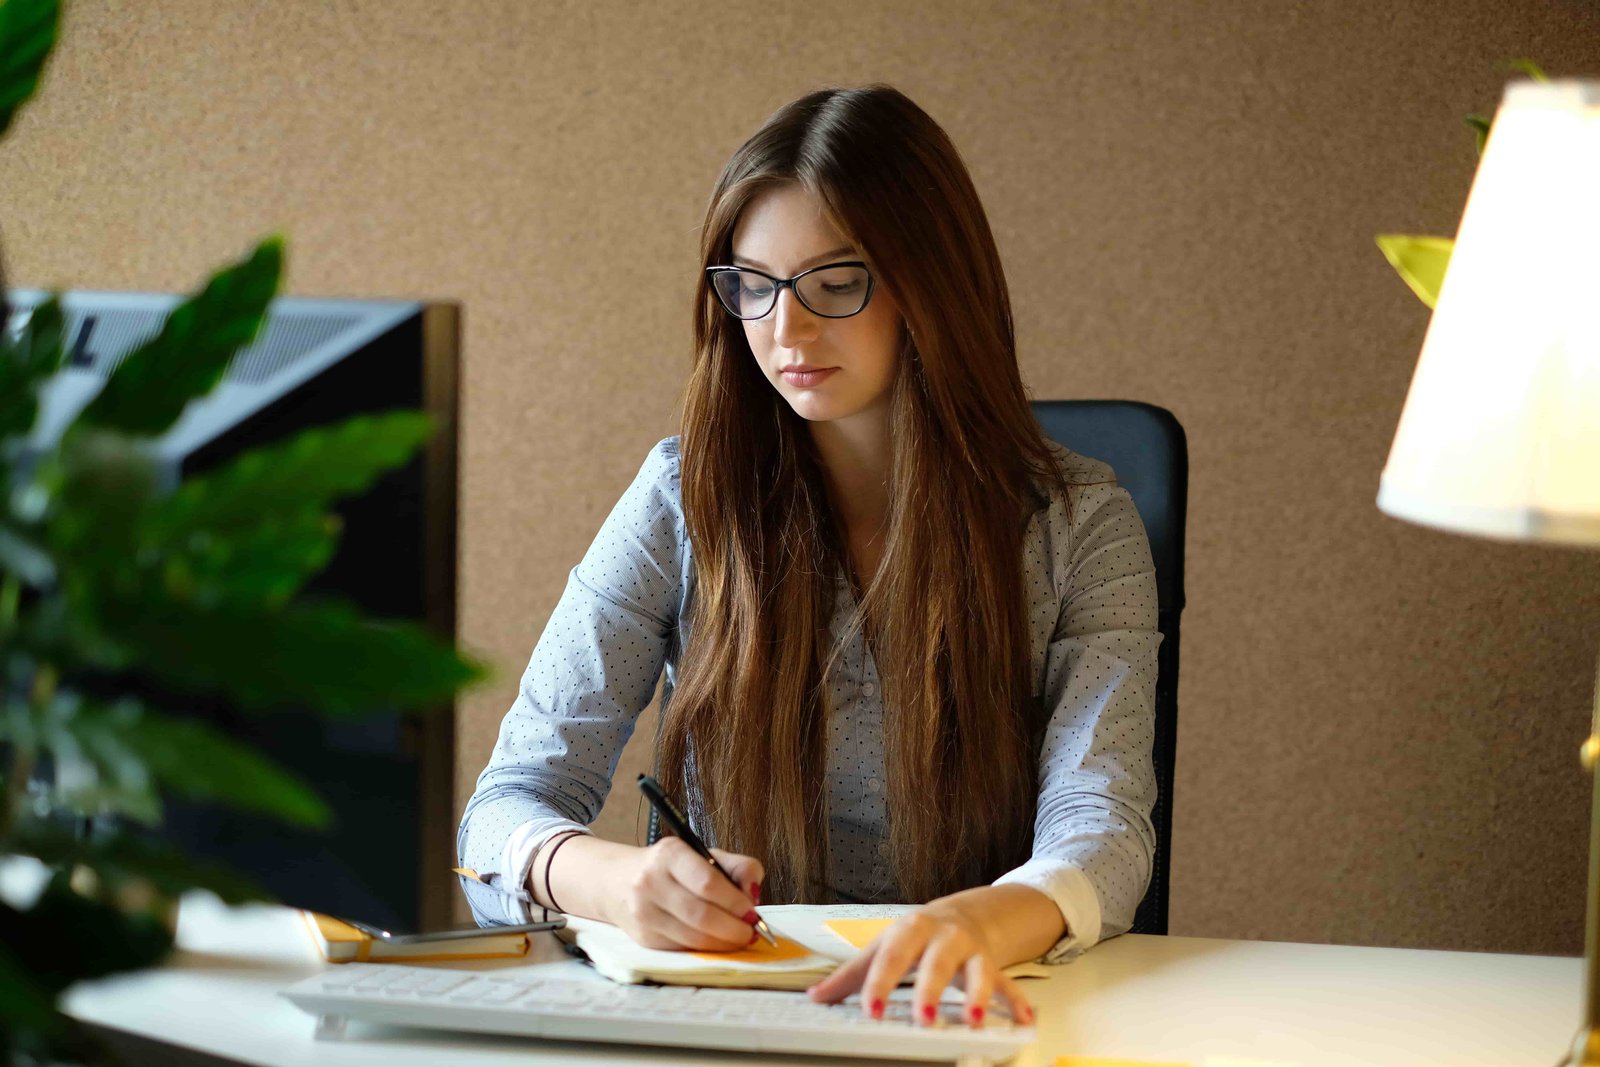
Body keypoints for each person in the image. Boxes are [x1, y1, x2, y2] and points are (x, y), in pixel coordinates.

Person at [458, 83, 1162, 1031]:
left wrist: (991, 915)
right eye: (752, 286)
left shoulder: (1078, 524)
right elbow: (504, 810)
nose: (784, 331)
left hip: (971, 1015)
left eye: (836, 284)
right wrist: (617, 881)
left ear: (934, 283)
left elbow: (1104, 823)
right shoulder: (682, 497)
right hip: (728, 1022)